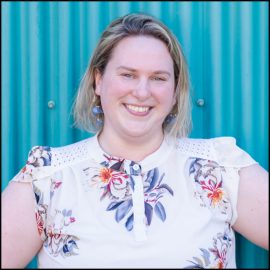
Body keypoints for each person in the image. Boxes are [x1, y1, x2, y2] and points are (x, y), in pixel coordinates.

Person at [2, 13, 268, 269]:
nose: (142, 92)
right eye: (128, 75)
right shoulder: (48, 178)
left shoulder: (220, 168)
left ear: (175, 91)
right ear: (98, 81)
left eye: (158, 78)